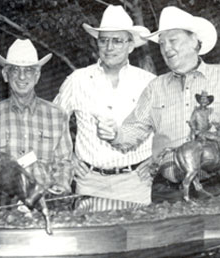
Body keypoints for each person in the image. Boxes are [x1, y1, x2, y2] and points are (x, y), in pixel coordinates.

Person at [97, 6, 220, 207]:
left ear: (194, 41)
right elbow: (134, 129)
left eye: (173, 41)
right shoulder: (156, 87)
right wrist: (114, 135)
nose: (166, 49)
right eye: (162, 44)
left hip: (219, 188)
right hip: (168, 192)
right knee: (169, 238)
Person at [53, 5, 156, 211]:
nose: (109, 47)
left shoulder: (149, 82)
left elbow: (168, 127)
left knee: (136, 241)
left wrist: (156, 159)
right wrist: (68, 159)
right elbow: (50, 123)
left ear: (130, 45)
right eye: (104, 40)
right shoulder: (78, 80)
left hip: (135, 183)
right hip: (89, 183)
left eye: (117, 41)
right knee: (90, 241)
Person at [0, 39, 74, 209]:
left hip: (47, 202)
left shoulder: (57, 115)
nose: (22, 76)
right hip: (4, 205)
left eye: (29, 70)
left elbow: (64, 162)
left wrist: (60, 189)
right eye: (15, 70)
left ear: (37, 75)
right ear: (5, 74)